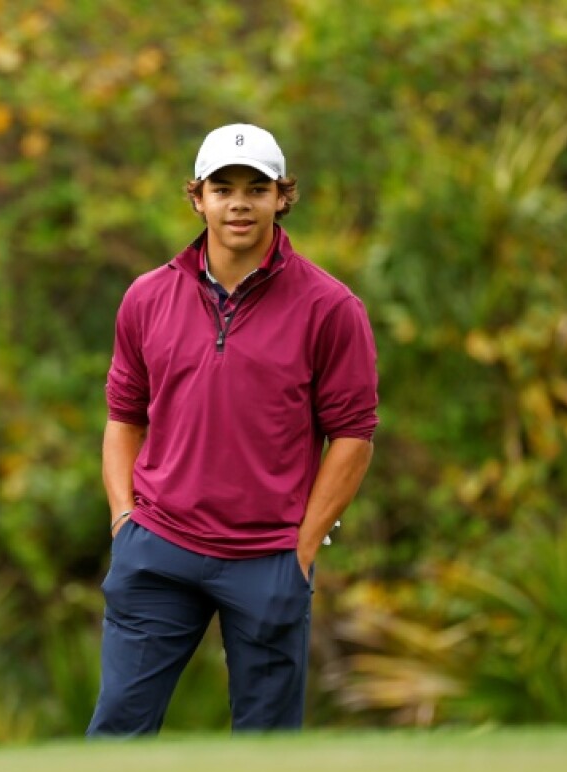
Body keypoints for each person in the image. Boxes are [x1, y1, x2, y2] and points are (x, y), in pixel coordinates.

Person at [87, 123, 378, 734]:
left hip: (268, 557)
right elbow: (124, 418)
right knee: (117, 733)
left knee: (267, 754)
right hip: (159, 548)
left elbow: (352, 436)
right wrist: (123, 519)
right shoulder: (147, 297)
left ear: (282, 197)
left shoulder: (330, 307)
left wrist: (301, 548)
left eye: (256, 188)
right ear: (198, 198)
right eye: (223, 188)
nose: (239, 202)